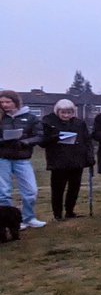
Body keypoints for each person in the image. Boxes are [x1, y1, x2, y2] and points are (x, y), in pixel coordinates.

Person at [40, 99, 94, 221]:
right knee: (58, 189)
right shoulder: (48, 122)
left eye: (69, 112)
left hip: (76, 160)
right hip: (58, 161)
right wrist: (55, 137)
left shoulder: (79, 123)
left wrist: (89, 156)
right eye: (63, 112)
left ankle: (70, 211)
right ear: (57, 112)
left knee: (74, 188)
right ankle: (57, 214)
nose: (66, 115)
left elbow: (87, 140)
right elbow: (42, 141)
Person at [0, 90, 47, 228]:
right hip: (2, 158)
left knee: (31, 191)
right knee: (3, 192)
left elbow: (39, 135)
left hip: (22, 158)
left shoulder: (31, 118)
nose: (5, 105)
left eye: (8, 102)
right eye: (2, 102)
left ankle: (29, 217)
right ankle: (7, 222)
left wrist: (25, 142)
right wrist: (3, 141)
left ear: (16, 102)